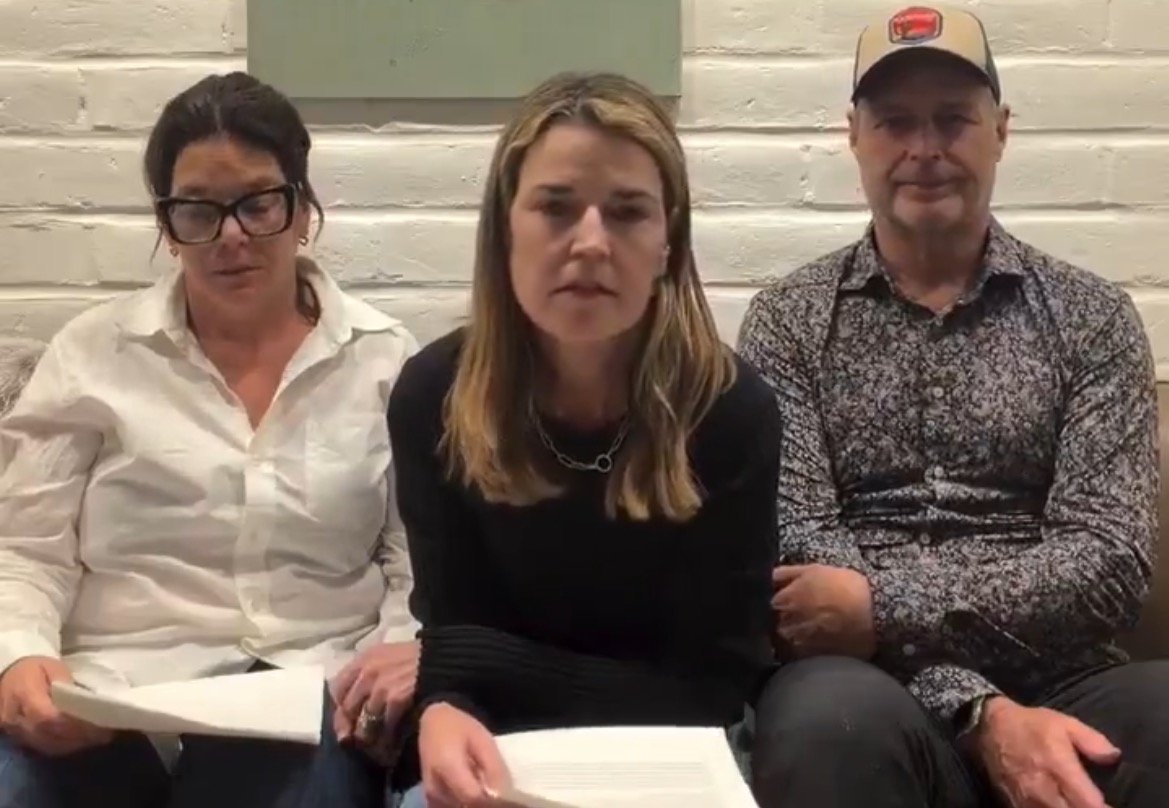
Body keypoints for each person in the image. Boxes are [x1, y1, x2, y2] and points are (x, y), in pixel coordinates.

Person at [737, 5, 1169, 808]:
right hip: (861, 689)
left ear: (1000, 130)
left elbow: (1106, 566)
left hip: (1064, 680)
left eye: (952, 120)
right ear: (853, 137)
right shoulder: (787, 321)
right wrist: (974, 707)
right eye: (895, 122)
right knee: (821, 723)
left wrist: (882, 606)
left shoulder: (1093, 319)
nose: (923, 150)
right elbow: (806, 574)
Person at [0, 72, 420, 808]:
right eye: (198, 210)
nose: (231, 236)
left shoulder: (384, 361)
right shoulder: (93, 354)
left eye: (258, 203)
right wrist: (20, 658)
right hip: (110, 694)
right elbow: (26, 549)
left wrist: (396, 649)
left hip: (308, 692)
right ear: (167, 224)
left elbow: (414, 560)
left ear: (302, 209)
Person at [383, 72, 781, 808]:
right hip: (498, 749)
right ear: (506, 229)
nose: (590, 243)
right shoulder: (432, 396)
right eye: (555, 208)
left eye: (628, 212)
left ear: (668, 243)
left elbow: (711, 688)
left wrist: (470, 668)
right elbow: (453, 640)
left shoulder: (730, 411)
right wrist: (444, 705)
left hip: (674, 760)